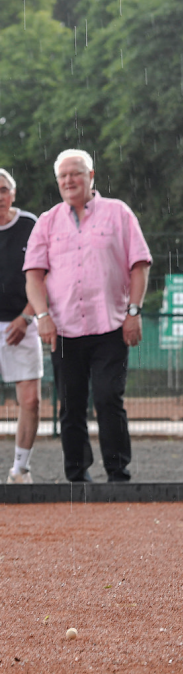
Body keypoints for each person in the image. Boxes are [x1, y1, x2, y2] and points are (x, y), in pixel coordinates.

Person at [24, 149, 152, 483]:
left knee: (109, 397)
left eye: (76, 173)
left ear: (91, 176)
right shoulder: (47, 221)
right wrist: (42, 316)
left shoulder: (118, 213)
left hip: (110, 324)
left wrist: (134, 312)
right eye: (63, 176)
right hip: (63, 328)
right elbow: (33, 277)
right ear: (57, 182)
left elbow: (138, 265)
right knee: (71, 404)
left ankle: (117, 471)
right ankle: (77, 475)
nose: (69, 180)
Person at [0, 169, 42, 484]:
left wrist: (27, 316)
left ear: (13, 193)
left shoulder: (31, 225)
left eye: (3, 190)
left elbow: (46, 275)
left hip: (22, 322)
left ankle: (20, 469)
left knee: (30, 400)